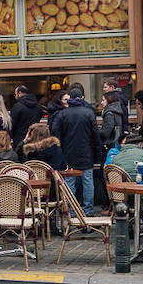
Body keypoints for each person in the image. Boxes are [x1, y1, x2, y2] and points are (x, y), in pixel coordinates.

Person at [52, 88, 99, 216]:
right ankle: (88, 211)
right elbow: (96, 136)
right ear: (81, 98)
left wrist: (60, 151)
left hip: (68, 153)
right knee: (88, 182)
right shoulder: (88, 113)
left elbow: (55, 134)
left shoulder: (62, 114)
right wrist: (97, 154)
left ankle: (71, 211)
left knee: (70, 183)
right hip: (86, 153)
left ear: (70, 98)